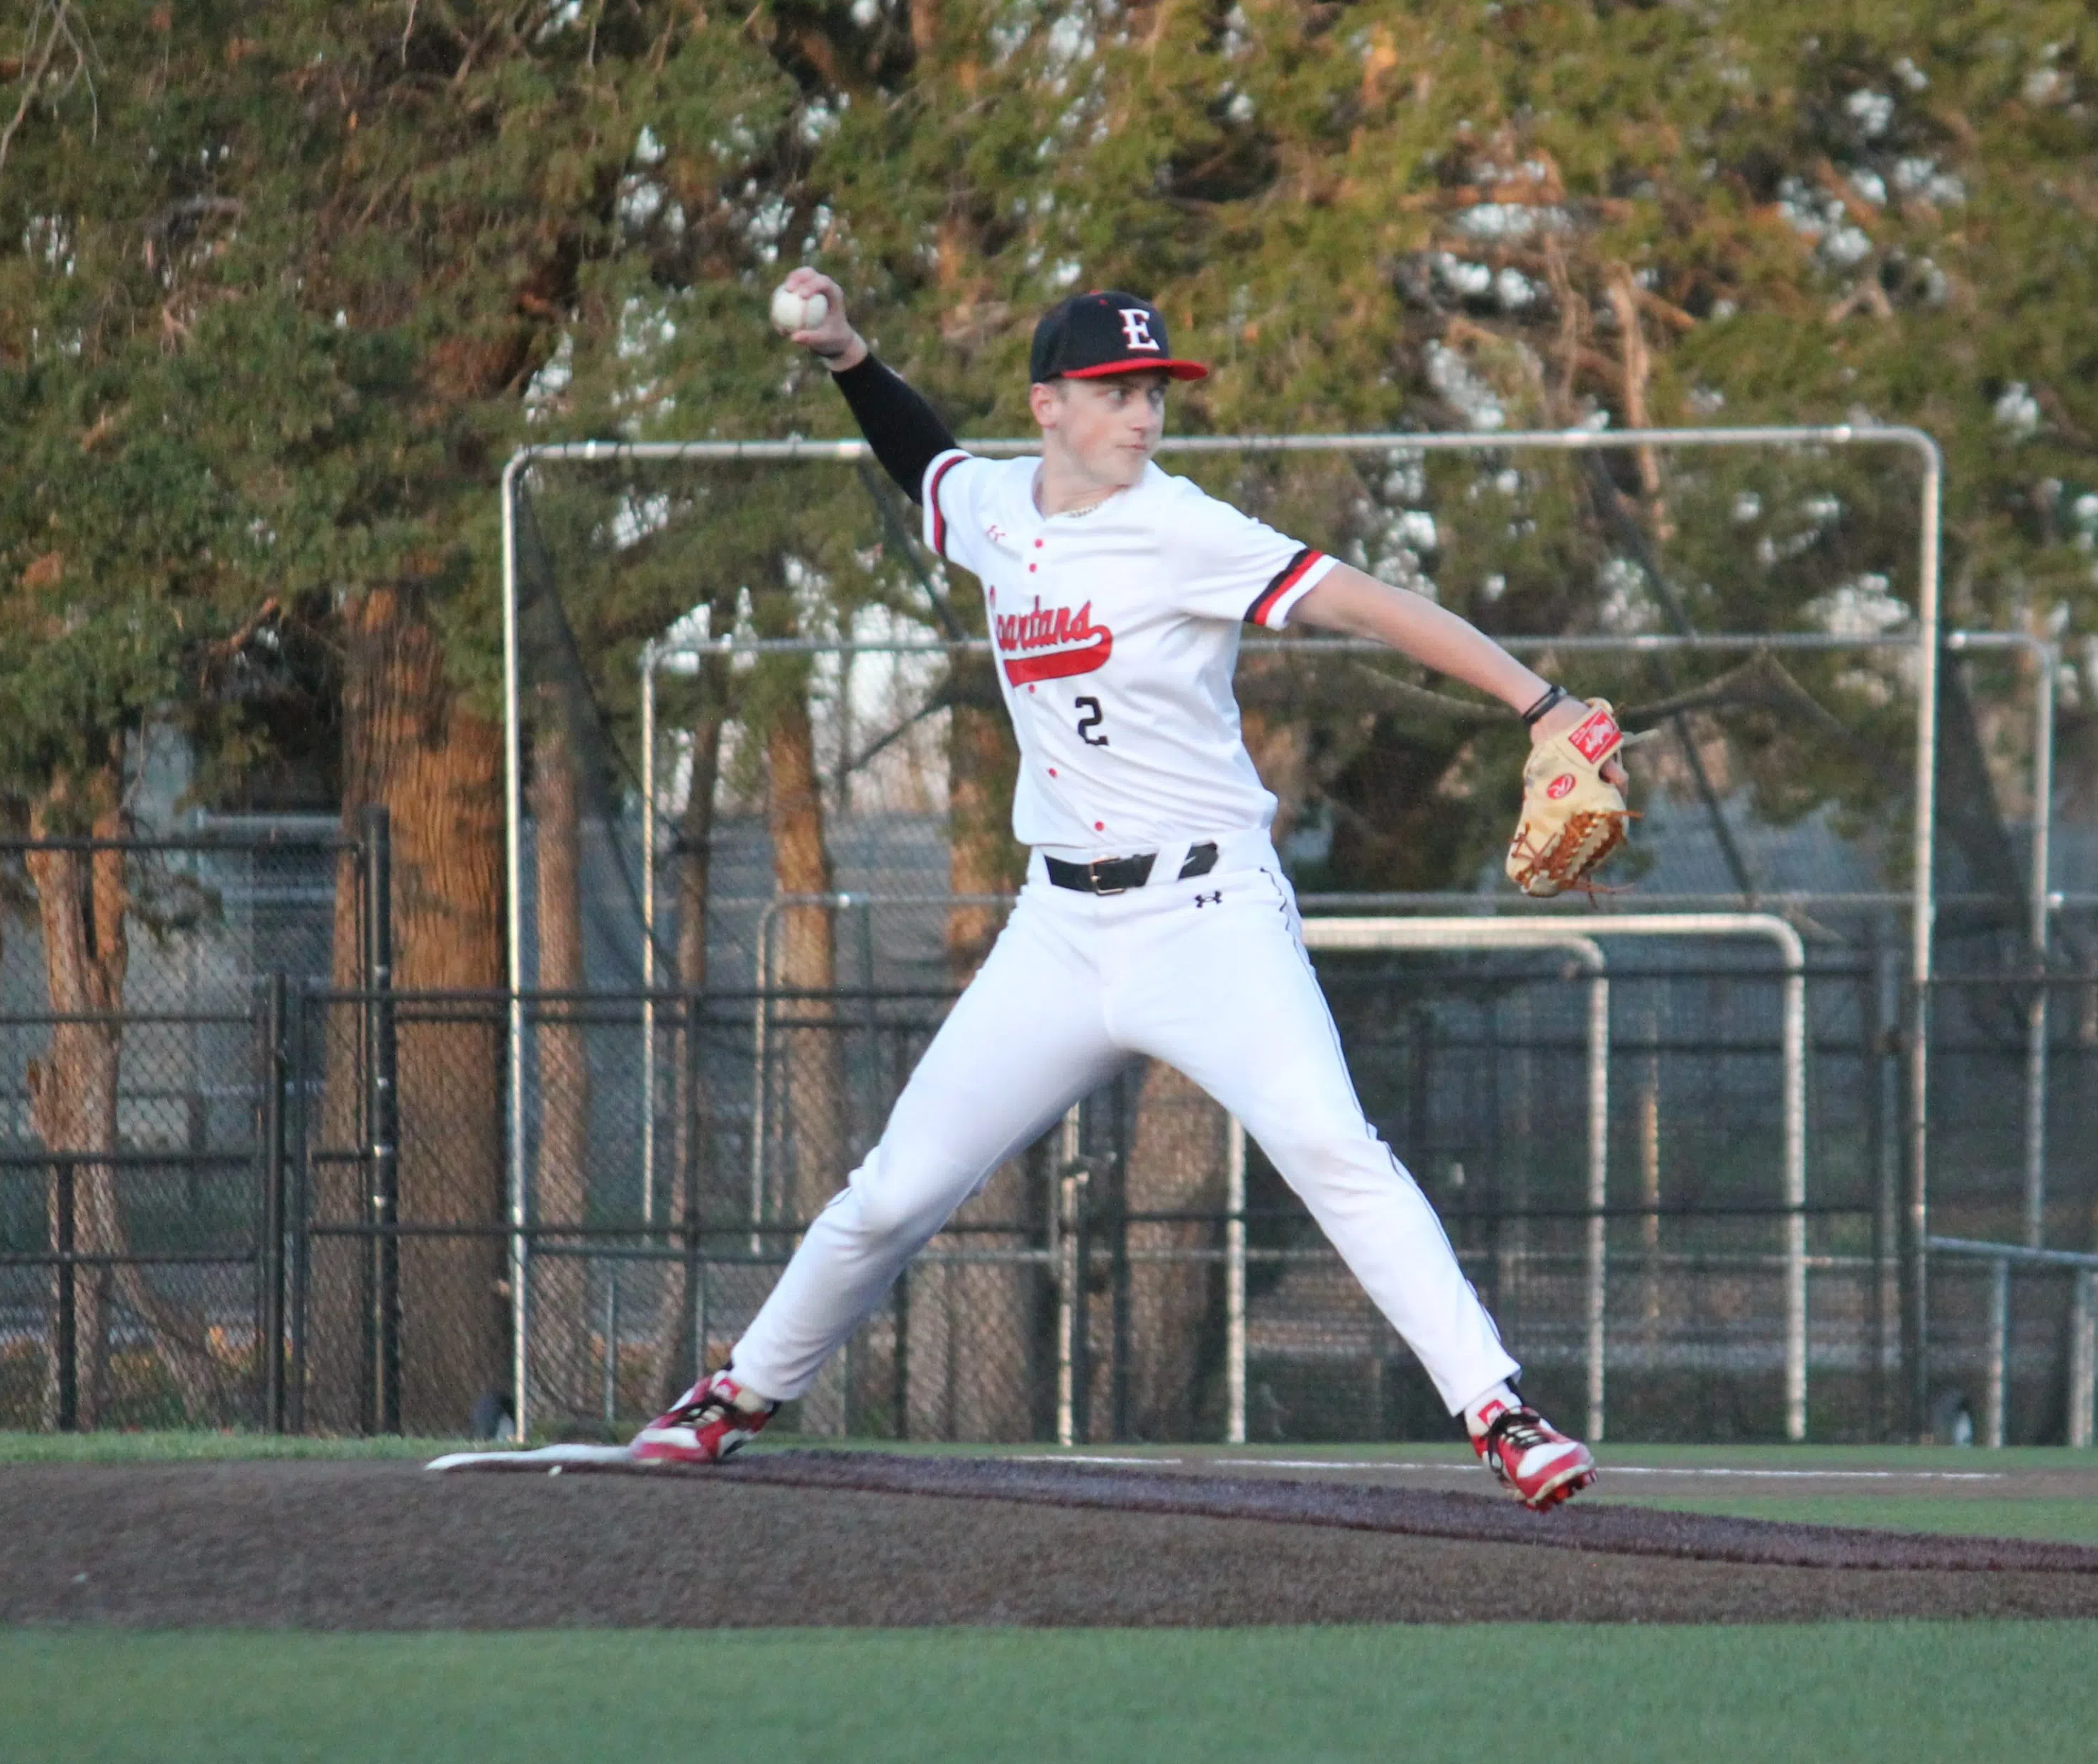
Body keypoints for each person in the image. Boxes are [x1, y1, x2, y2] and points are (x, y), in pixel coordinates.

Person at [632, 274, 1617, 1509]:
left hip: (1208, 917)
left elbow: (1372, 603)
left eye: (1153, 392)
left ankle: (1502, 1412)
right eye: (1114, 393)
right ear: (1048, 406)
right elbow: (922, 462)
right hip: (1057, 927)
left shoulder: (1185, 525)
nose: (1143, 416)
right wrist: (847, 358)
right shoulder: (997, 508)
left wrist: (1543, 703)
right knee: (894, 1187)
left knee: (1328, 1143)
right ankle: (736, 1393)